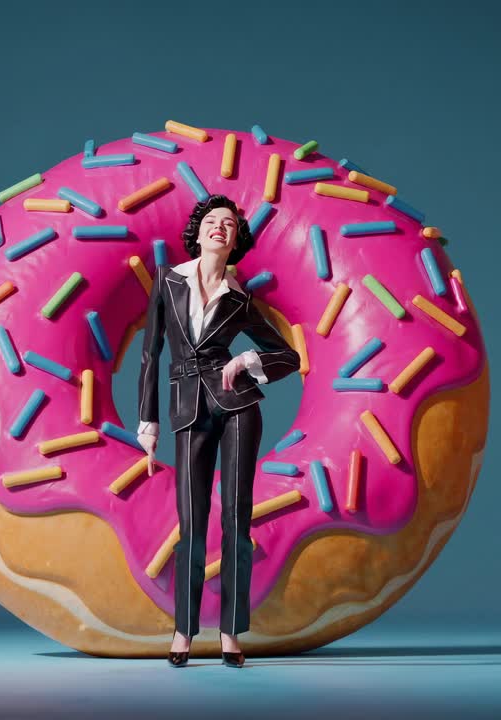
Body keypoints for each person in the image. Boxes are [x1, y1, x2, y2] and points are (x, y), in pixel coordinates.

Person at [136, 194, 301, 668]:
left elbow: (287, 356)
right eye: (212, 221)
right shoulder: (168, 281)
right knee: (191, 523)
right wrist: (147, 422)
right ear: (198, 232)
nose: (220, 228)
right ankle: (183, 630)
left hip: (238, 408)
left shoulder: (240, 299)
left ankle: (230, 631)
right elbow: (151, 354)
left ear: (236, 240)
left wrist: (247, 360)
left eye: (229, 224)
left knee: (235, 518)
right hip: (187, 410)